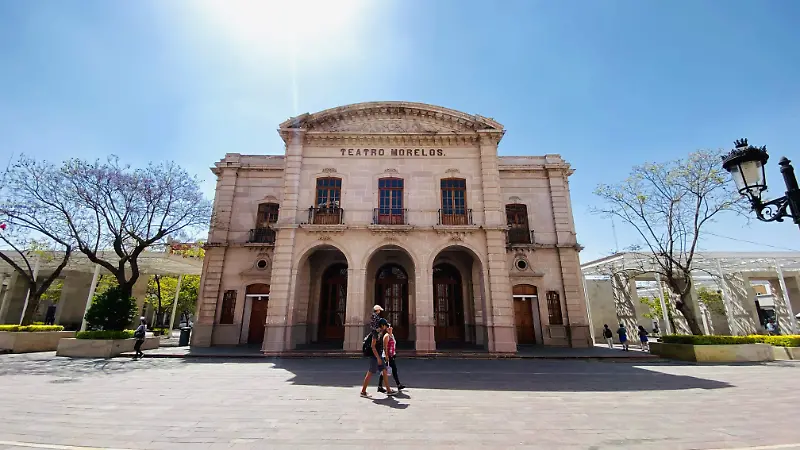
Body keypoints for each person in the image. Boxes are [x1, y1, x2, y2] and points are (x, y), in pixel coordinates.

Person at [360, 318, 395, 398]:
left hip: (378, 355)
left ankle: (388, 390)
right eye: (385, 325)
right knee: (370, 372)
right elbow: (373, 346)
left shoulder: (381, 332)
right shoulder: (375, 332)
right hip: (374, 356)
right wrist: (378, 358)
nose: (386, 327)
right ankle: (363, 391)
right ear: (382, 325)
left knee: (384, 370)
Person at [378, 324, 405, 392]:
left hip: (392, 355)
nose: (389, 328)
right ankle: (398, 385)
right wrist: (387, 356)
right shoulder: (386, 336)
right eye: (388, 328)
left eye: (390, 327)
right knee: (388, 370)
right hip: (387, 356)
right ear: (386, 329)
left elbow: (393, 346)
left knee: (387, 370)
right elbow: (385, 347)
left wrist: (394, 353)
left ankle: (380, 386)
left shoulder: (392, 335)